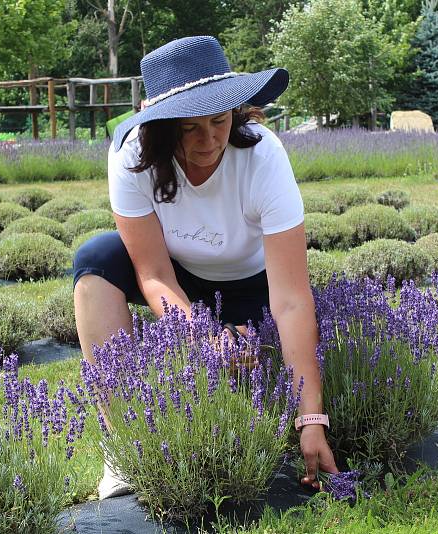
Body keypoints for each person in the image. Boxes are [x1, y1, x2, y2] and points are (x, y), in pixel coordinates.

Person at [73, 35, 338, 500]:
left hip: (255, 283)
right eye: (189, 128)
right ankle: (124, 448)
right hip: (182, 280)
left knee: (245, 361)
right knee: (95, 259)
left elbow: (292, 298)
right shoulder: (131, 156)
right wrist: (198, 335)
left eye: (218, 120)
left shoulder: (263, 156)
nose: (209, 140)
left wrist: (311, 417)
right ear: (159, 126)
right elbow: (153, 273)